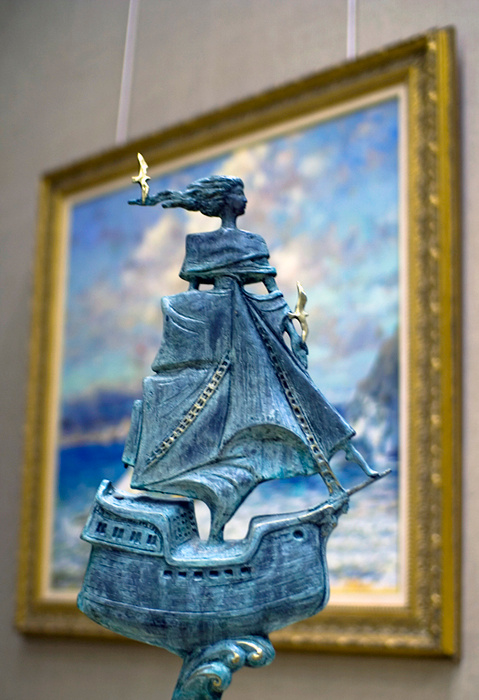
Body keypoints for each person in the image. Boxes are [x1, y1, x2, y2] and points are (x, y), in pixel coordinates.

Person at [126, 176, 379, 540]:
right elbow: (192, 295)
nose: (245, 200)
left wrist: (290, 327)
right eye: (239, 193)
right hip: (219, 331)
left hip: (251, 328)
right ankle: (214, 529)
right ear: (225, 200)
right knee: (282, 400)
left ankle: (347, 468)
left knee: (298, 396)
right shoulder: (199, 244)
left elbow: (271, 292)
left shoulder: (253, 243)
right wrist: (192, 348)